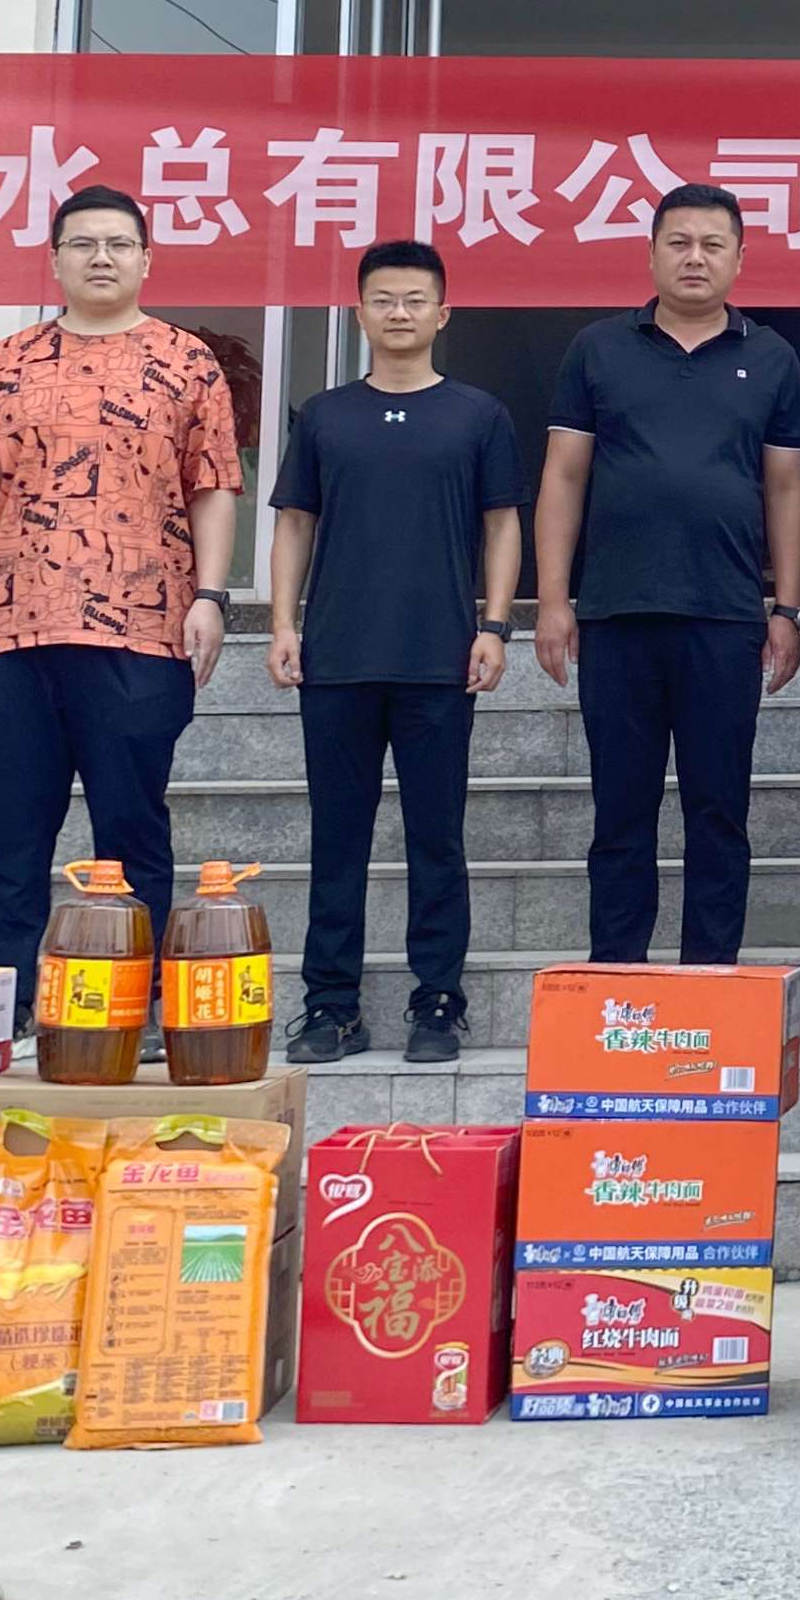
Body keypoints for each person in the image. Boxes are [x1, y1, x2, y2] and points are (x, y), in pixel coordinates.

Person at [0, 187, 242, 1028]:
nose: (101, 257)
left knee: (132, 830)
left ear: (147, 258)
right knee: (9, 832)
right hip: (16, 629)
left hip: (142, 631)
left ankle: (134, 1007)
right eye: (83, 243)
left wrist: (212, 595)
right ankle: (3, 1006)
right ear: (55, 258)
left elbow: (213, 485)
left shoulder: (186, 360)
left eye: (118, 243)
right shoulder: (11, 358)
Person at [535, 186, 800, 969]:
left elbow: (787, 487)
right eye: (679, 242)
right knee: (620, 813)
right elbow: (563, 475)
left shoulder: (772, 357)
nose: (695, 258)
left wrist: (787, 606)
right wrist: (553, 600)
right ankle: (616, 974)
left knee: (718, 810)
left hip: (724, 616)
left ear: (739, 259)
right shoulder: (598, 348)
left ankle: (710, 977)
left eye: (712, 244)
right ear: (652, 252)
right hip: (617, 613)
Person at [267, 240, 523, 1071]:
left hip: (438, 659)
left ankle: (438, 999)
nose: (400, 312)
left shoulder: (478, 414)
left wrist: (494, 625)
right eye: (384, 299)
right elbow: (294, 522)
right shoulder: (324, 414)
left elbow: (502, 524)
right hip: (337, 656)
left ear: (443, 313)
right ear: (360, 313)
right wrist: (283, 623)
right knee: (337, 837)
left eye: (416, 299)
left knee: (436, 837)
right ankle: (330, 1005)